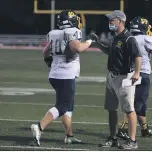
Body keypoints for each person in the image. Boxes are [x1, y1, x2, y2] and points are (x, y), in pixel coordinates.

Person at [30, 10, 93, 146]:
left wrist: (50, 64)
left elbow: (45, 52)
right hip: (66, 75)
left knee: (68, 105)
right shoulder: (72, 31)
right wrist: (89, 41)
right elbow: (77, 48)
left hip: (55, 74)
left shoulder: (55, 33)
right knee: (63, 106)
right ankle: (40, 126)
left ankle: (69, 136)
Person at [90, 10, 142, 149]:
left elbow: (138, 56)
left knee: (129, 110)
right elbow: (109, 51)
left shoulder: (129, 38)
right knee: (112, 109)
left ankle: (132, 141)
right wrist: (98, 43)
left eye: (112, 20)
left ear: (120, 21)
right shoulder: (115, 37)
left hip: (125, 77)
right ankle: (113, 138)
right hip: (112, 77)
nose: (110, 22)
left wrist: (136, 73)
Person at [117, 16, 152, 140]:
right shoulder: (146, 39)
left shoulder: (127, 37)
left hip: (128, 73)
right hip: (142, 74)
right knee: (138, 104)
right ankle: (123, 129)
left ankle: (144, 129)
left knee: (134, 102)